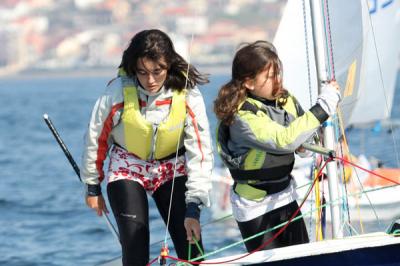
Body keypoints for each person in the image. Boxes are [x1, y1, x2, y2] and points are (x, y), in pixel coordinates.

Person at [81, 29, 213, 265]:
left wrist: (194, 206)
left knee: (192, 248)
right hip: (128, 166)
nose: (150, 80)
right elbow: (96, 137)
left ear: (169, 66)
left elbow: (200, 153)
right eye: (142, 72)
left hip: (172, 168)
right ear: (133, 68)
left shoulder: (188, 94)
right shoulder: (117, 92)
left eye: (157, 71)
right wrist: (93, 185)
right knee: (135, 244)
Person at [214, 40, 341, 252]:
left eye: (278, 74)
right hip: (254, 207)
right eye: (271, 76)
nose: (278, 81)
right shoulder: (242, 116)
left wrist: (306, 145)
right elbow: (285, 140)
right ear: (249, 83)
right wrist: (324, 105)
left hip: (285, 196)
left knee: (302, 261)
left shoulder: (285, 100)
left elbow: (302, 132)